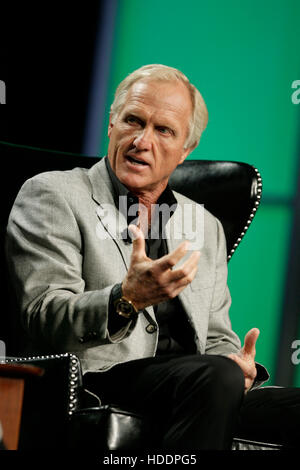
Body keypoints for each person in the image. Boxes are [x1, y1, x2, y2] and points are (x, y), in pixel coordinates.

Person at [5, 64, 299, 450]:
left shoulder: (203, 224)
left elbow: (216, 337)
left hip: (197, 385)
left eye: (163, 130)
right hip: (97, 377)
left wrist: (237, 363)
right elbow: (43, 313)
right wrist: (125, 300)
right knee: (212, 378)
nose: (142, 141)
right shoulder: (53, 195)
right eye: (133, 121)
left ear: (185, 150)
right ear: (111, 123)